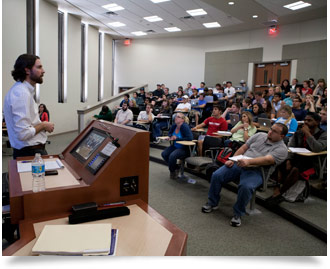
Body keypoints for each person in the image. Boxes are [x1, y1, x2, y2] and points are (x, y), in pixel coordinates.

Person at [201, 123, 288, 227]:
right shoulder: (260, 135)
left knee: (246, 187)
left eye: (274, 131)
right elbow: (243, 148)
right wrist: (232, 159)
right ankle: (212, 203)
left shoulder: (282, 149)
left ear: (282, 136)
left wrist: (249, 162)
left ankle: (238, 214)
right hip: (239, 163)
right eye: (271, 129)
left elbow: (267, 160)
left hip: (257, 171)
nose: (270, 132)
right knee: (216, 175)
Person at [268, 112, 327, 203]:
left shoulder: (323, 134)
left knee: (296, 169)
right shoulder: (299, 133)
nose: (306, 122)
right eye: (305, 120)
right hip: (297, 158)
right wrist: (288, 160)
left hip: (313, 162)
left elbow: (317, 148)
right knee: (280, 162)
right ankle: (277, 187)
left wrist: (308, 134)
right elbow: (291, 147)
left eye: (309, 120)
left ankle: (280, 193)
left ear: (317, 122)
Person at [4, 54, 55, 159]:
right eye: (39, 67)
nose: (43, 71)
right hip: (29, 152)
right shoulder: (21, 94)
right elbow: (23, 133)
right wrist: (44, 125)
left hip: (29, 151)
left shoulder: (22, 91)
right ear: (27, 70)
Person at [161, 113, 193, 179]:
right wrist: (170, 137)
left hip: (184, 148)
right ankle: (175, 168)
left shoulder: (184, 126)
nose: (176, 118)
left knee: (172, 156)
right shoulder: (174, 125)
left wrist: (177, 138)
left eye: (178, 117)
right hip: (175, 146)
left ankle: (172, 171)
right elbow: (170, 133)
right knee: (164, 154)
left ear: (182, 120)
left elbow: (190, 138)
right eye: (176, 116)